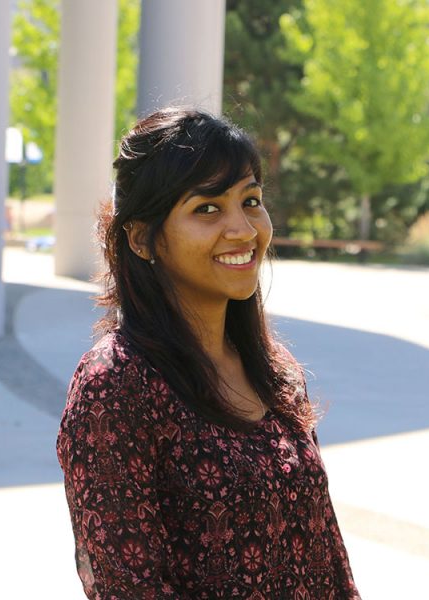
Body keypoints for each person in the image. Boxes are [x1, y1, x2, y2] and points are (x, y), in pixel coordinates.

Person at [57, 107, 360, 599]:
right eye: (207, 209)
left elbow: (328, 563)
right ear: (140, 237)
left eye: (251, 201)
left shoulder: (276, 373)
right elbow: (130, 590)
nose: (242, 229)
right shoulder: (116, 386)